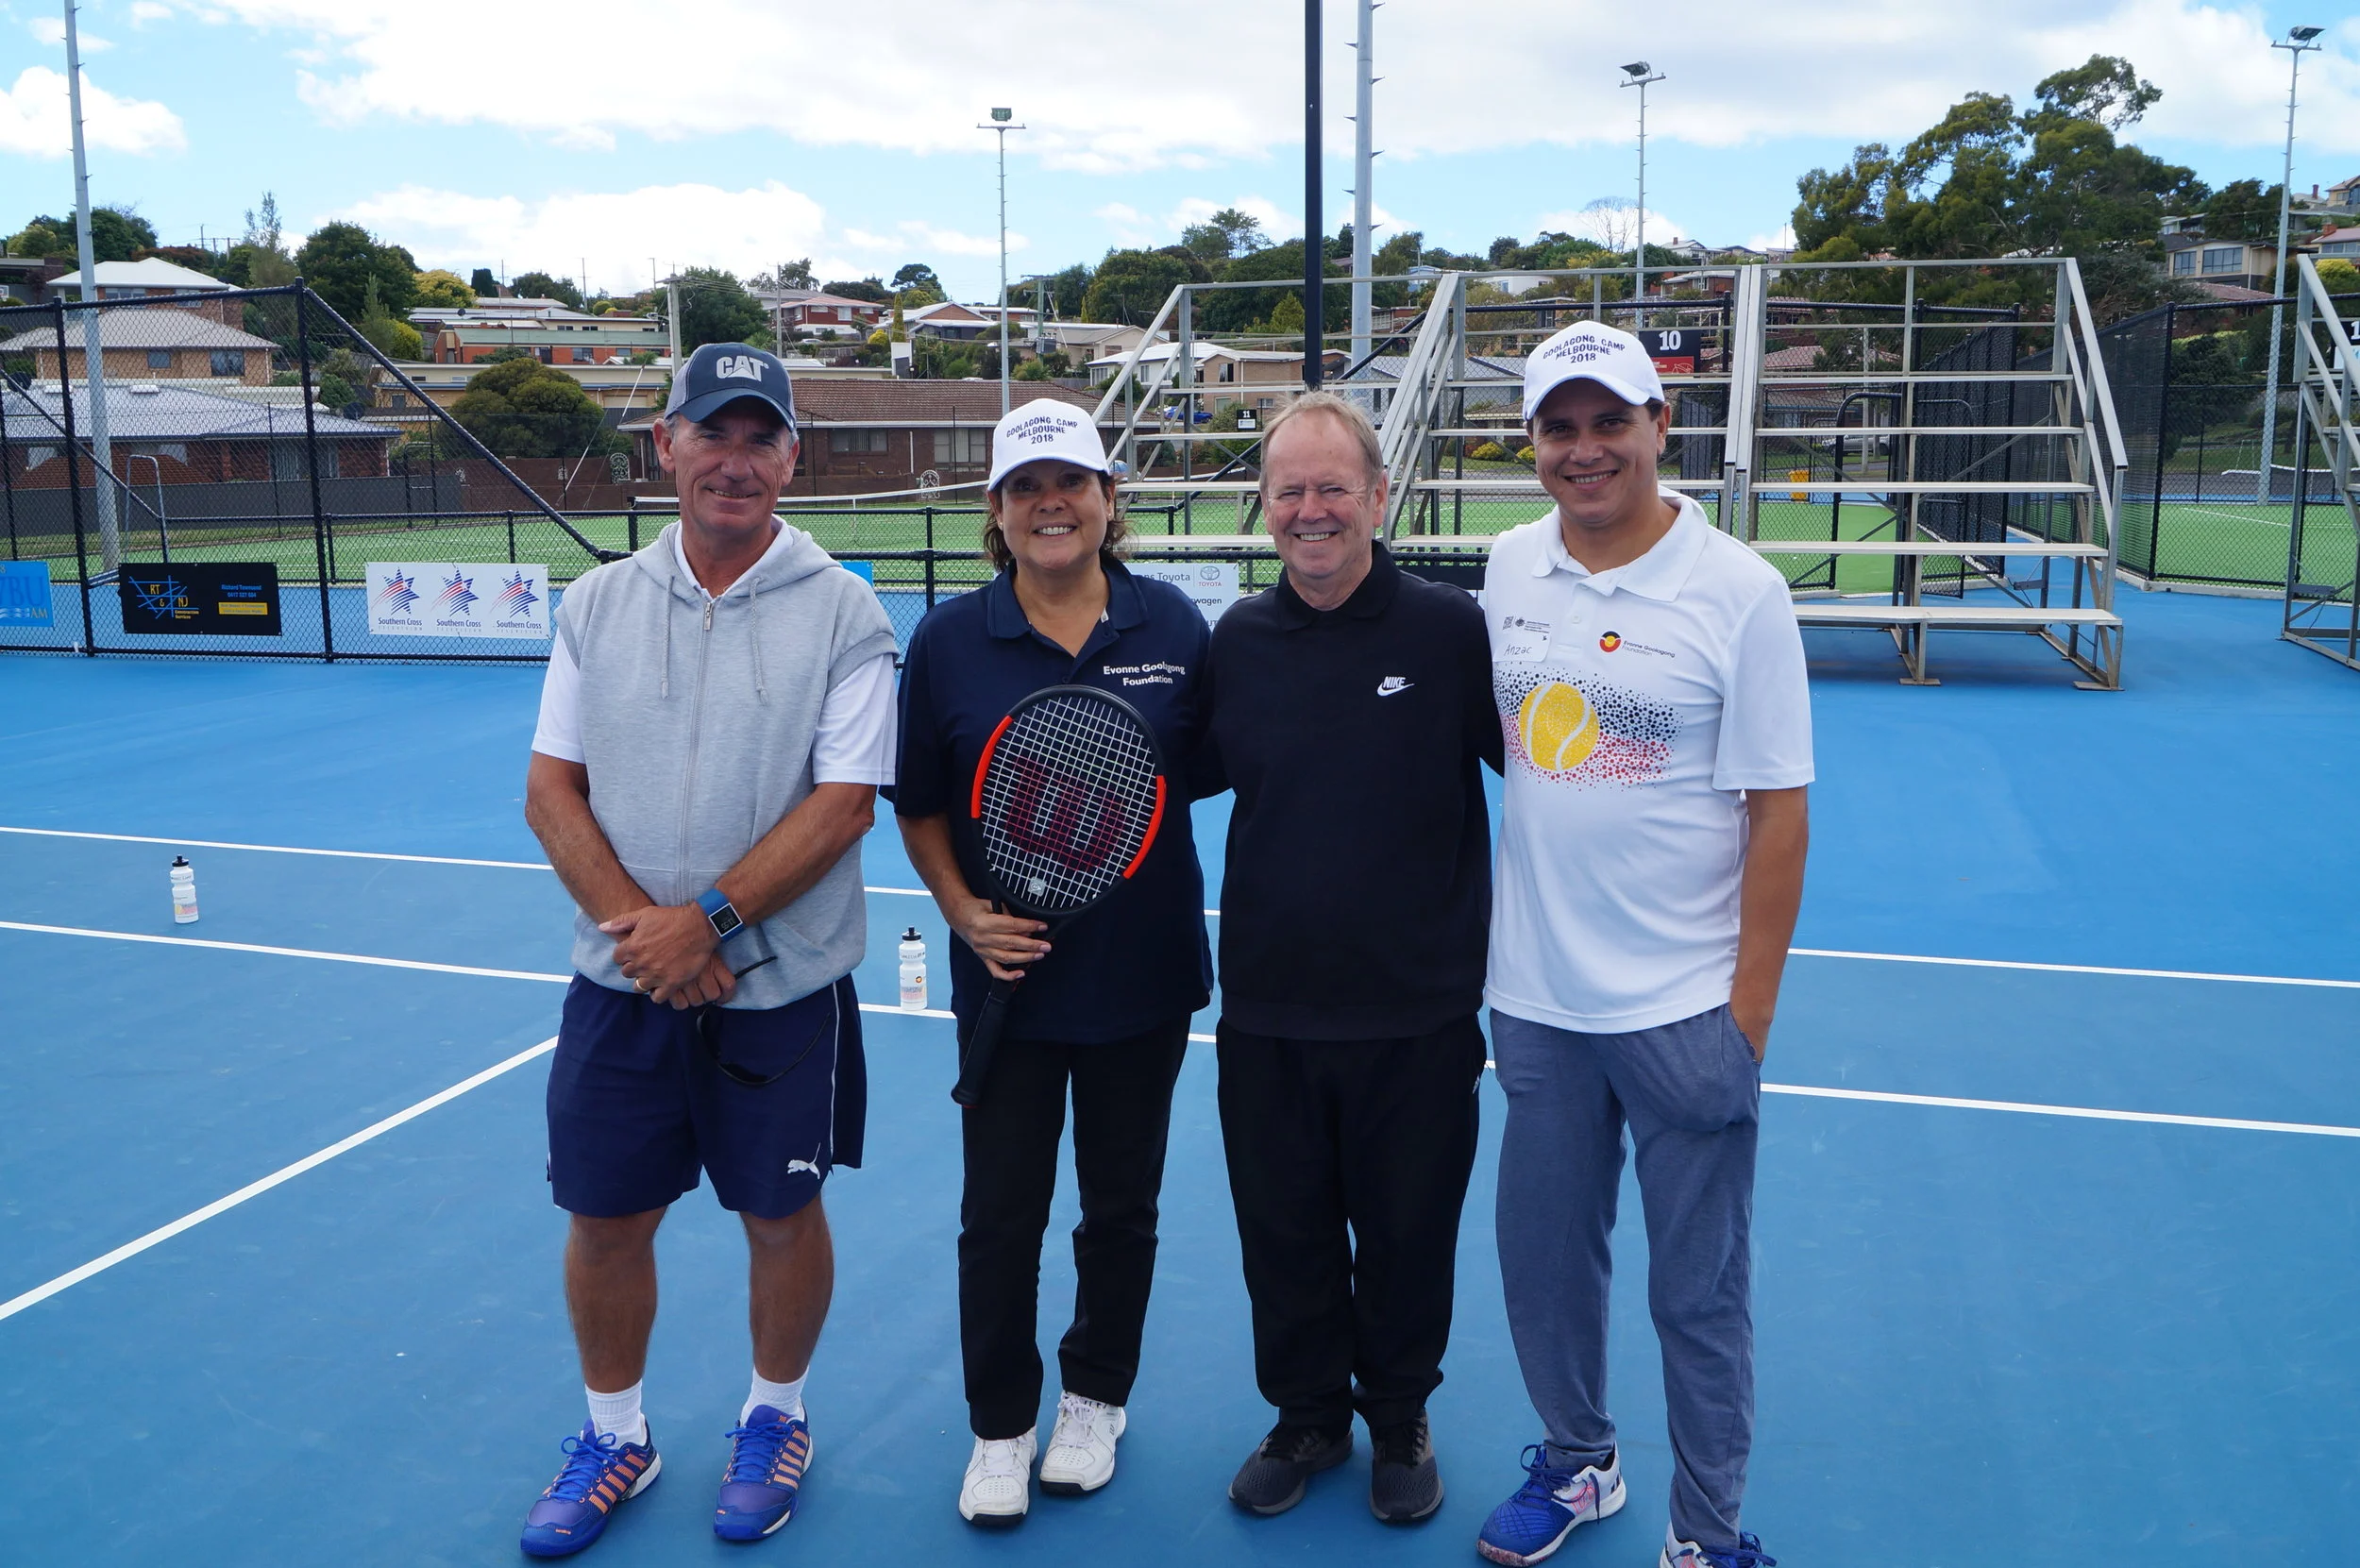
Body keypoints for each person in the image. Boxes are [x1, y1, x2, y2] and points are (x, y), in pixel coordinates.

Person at [516, 342, 899, 1558]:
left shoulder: (845, 609)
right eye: (712, 434)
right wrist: (652, 937)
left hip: (779, 992)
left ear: (791, 456)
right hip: (624, 985)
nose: (735, 461)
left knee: (781, 1213)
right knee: (604, 1214)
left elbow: (844, 805)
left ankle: (773, 1416)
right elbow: (550, 791)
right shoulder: (598, 603)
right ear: (666, 446)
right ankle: (614, 1432)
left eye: (760, 438)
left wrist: (711, 922)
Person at [1470, 321, 1811, 1568]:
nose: (1585, 449)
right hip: (1540, 1007)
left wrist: (1748, 1020)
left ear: (1661, 426)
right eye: (1559, 427)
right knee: (1546, 1268)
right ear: (1535, 447)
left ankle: (1708, 1536)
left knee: (1698, 1297)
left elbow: (1779, 810)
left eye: (1609, 421)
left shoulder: (1740, 593)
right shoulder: (1506, 570)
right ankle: (1578, 1463)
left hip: (1684, 1012)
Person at [890, 397, 1214, 1526]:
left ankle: (1093, 1399)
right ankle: (999, 1426)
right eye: (1026, 487)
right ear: (996, 511)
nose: (1051, 504)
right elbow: (921, 805)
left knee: (1119, 1207)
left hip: (1144, 982)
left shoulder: (1172, 626)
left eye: (1071, 482)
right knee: (1001, 1216)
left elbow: (1221, 771)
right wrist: (963, 911)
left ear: (1107, 500)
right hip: (1008, 990)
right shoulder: (946, 641)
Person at [1198, 391, 1502, 1526]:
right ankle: (1308, 1415)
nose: (1312, 510)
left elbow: (1552, 775)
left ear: (1380, 496)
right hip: (1269, 1009)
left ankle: (1399, 1415)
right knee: (1281, 1230)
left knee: (1410, 1233)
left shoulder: (1447, 628)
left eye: (1334, 488)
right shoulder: (1238, 639)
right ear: (1265, 507)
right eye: (1290, 491)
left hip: (1418, 1012)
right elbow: (1164, 774)